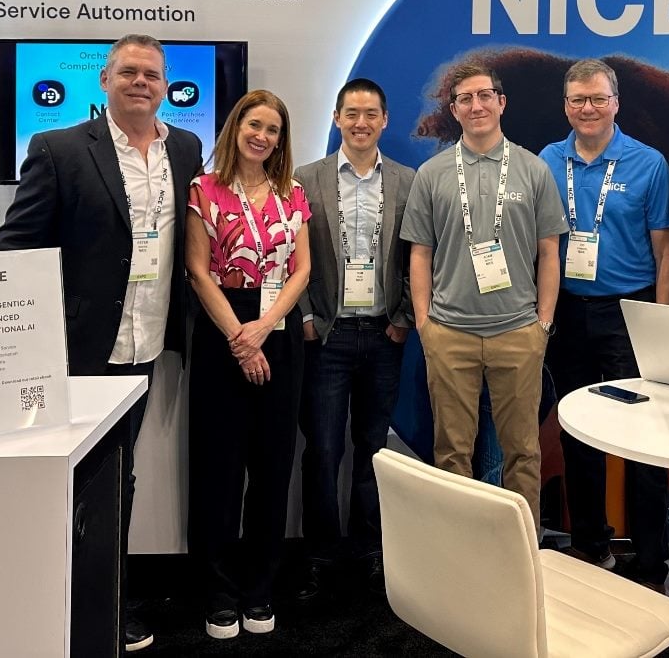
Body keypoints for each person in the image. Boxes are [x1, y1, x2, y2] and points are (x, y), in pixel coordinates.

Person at [0, 33, 203, 653]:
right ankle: (46, 591)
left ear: (165, 86)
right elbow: (17, 245)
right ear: (105, 81)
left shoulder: (186, 148)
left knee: (120, 472)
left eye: (152, 75)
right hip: (76, 344)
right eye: (129, 72)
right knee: (63, 471)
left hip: (147, 340)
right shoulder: (58, 148)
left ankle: (109, 595)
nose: (142, 82)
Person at [400, 61, 568, 532]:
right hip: (449, 334)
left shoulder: (533, 170)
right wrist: (424, 324)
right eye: (465, 99)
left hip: (517, 333)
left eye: (484, 95)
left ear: (501, 102)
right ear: (454, 110)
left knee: (523, 453)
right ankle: (461, 554)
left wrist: (543, 325)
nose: (476, 105)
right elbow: (420, 253)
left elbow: (549, 252)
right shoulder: (432, 174)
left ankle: (521, 555)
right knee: (451, 453)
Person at [538, 59, 669, 592]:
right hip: (569, 311)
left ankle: (651, 563)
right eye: (577, 100)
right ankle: (591, 545)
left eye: (597, 98)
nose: (587, 109)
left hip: (630, 312)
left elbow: (666, 251)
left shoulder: (648, 163)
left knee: (643, 440)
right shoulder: (549, 161)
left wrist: (660, 322)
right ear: (566, 106)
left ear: (615, 102)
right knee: (578, 430)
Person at [185, 89, 311, 640]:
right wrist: (239, 336)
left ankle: (260, 589)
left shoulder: (293, 192)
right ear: (236, 127)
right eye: (254, 125)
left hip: (278, 328)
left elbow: (303, 269)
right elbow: (196, 269)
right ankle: (218, 592)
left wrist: (263, 330)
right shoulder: (203, 190)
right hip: (221, 330)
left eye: (274, 130)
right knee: (217, 469)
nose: (263, 136)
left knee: (272, 468)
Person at [293, 78, 415, 601]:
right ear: (337, 119)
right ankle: (319, 556)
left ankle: (370, 552)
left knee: (373, 447)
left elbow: (419, 256)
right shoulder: (305, 178)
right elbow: (287, 253)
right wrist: (303, 315)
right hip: (328, 334)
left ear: (385, 120)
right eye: (351, 114)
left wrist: (406, 316)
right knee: (321, 450)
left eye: (370, 114)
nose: (361, 123)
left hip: (385, 334)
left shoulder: (409, 182)